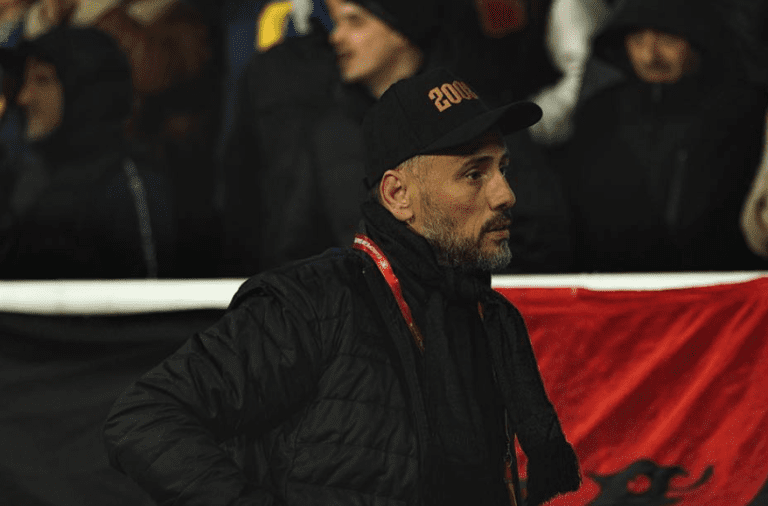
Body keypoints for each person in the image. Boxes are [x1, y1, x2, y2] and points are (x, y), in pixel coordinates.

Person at [103, 68, 581, 506]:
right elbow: (147, 415)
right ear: (398, 195)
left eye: (503, 169)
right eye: (474, 174)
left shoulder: (488, 317)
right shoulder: (312, 302)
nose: (505, 194)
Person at [218, 0, 437, 276]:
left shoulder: (463, 118)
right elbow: (296, 246)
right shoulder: (330, 132)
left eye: (355, 21)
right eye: (336, 22)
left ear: (401, 31)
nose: (336, 36)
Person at [553, 0, 768, 272]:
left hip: (720, 285)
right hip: (613, 284)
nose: (649, 56)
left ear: (698, 37)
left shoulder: (744, 112)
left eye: (667, 39)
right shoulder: (600, 113)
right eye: (637, 40)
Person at [0, 26, 178, 278]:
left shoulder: (128, 183)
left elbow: (151, 291)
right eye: (25, 81)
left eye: (42, 80)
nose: (24, 97)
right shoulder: (26, 174)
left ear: (85, 91)